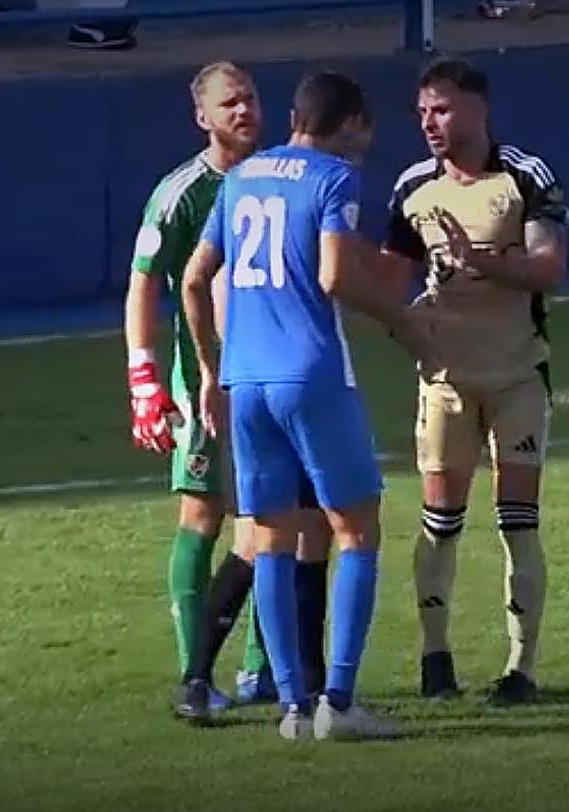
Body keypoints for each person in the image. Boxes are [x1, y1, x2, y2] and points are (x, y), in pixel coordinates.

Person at [181, 69, 430, 741]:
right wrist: (405, 322)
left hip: (246, 377)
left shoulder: (240, 178)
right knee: (356, 528)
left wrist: (210, 365)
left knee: (269, 538)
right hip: (310, 374)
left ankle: (293, 707)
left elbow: (195, 277)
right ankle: (339, 702)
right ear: (349, 123)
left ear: (294, 115)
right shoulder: (334, 178)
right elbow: (334, 276)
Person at [123, 61, 328, 721]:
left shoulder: (271, 177)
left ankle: (263, 669)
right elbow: (146, 283)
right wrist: (144, 378)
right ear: (202, 117)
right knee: (204, 517)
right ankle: (196, 675)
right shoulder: (182, 192)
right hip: (205, 382)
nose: (244, 111)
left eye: (250, 99)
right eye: (229, 103)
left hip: (266, 375)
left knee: (281, 518)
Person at [379, 57, 569, 706]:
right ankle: (436, 660)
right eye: (423, 110)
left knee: (518, 522)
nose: (430, 122)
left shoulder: (524, 177)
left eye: (442, 108)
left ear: (478, 109)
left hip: (517, 374)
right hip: (447, 384)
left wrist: (481, 262)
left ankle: (522, 669)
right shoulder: (411, 189)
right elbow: (388, 288)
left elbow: (549, 267)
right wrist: (408, 326)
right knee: (439, 520)